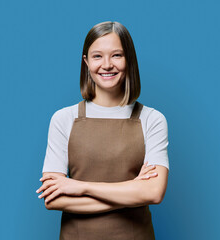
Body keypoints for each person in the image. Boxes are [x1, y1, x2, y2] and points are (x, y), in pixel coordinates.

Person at [36, 21, 169, 240]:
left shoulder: (152, 119)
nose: (106, 65)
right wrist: (132, 190)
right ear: (86, 62)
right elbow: (53, 199)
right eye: (97, 56)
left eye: (117, 55)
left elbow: (153, 193)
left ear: (129, 60)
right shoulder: (63, 119)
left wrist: (79, 187)